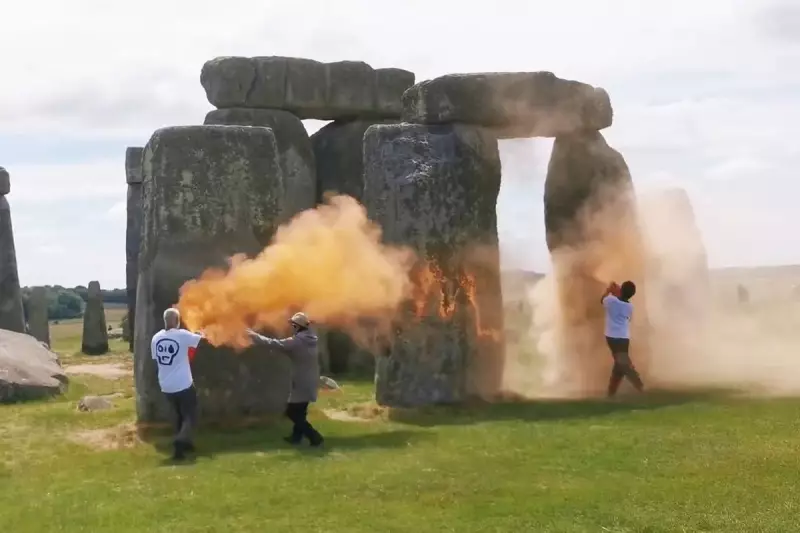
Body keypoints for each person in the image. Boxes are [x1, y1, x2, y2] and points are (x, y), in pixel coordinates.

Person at [247, 312, 324, 447]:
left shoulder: (297, 342)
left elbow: (272, 343)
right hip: (310, 380)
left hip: (301, 382)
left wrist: (252, 335)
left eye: (293, 325)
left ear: (296, 326)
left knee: (292, 412)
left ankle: (314, 436)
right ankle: (296, 437)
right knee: (300, 411)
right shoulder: (311, 338)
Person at [151, 307, 204, 461]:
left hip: (166, 386)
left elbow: (157, 359)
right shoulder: (182, 335)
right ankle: (180, 442)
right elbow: (200, 339)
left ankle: (185, 445)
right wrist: (201, 332)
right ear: (176, 321)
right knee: (191, 416)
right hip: (183, 384)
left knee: (180, 416)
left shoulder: (156, 338)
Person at [601, 280, 644, 397]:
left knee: (621, 364)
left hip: (612, 337)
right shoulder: (630, 306)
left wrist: (609, 290)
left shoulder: (610, 300)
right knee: (621, 363)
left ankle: (639, 385)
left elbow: (602, 300)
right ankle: (612, 392)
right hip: (624, 337)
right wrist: (617, 293)